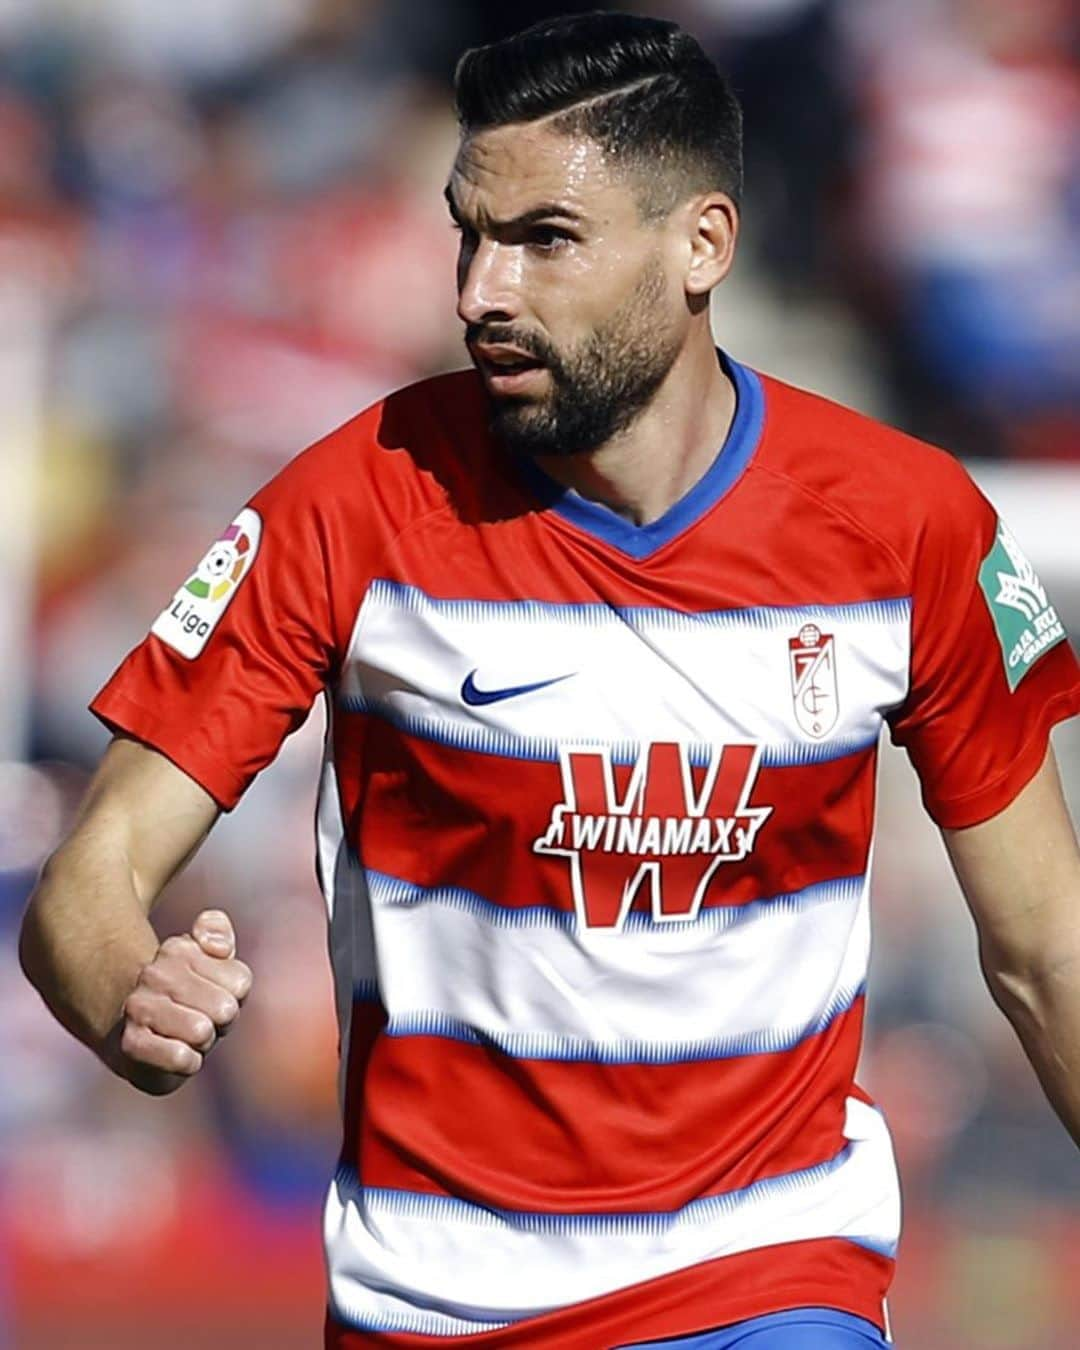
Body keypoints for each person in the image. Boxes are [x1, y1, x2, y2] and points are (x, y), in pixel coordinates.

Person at [19, 12, 1080, 1349]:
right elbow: (89, 877)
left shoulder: (906, 522)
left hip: (767, 1282)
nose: (481, 288)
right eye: (470, 231)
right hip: (437, 1305)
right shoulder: (353, 505)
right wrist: (130, 989)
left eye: (545, 241)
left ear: (703, 246)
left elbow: (1049, 946)